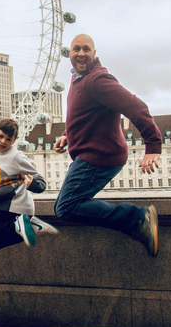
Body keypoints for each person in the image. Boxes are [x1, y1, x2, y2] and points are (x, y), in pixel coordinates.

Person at [53, 34, 162, 256]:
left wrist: (153, 145)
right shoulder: (78, 79)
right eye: (76, 49)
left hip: (99, 156)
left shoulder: (97, 80)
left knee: (66, 207)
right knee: (65, 206)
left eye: (86, 49)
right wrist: (67, 135)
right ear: (69, 54)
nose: (81, 53)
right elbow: (84, 113)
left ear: (94, 53)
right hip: (89, 152)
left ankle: (138, 218)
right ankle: (137, 221)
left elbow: (136, 106)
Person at [0, 118, 57, 251]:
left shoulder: (17, 157)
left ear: (14, 141)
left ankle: (18, 224)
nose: (3, 141)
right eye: (1, 136)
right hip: (3, 204)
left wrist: (33, 184)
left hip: (17, 205)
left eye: (8, 139)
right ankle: (30, 226)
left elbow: (41, 181)